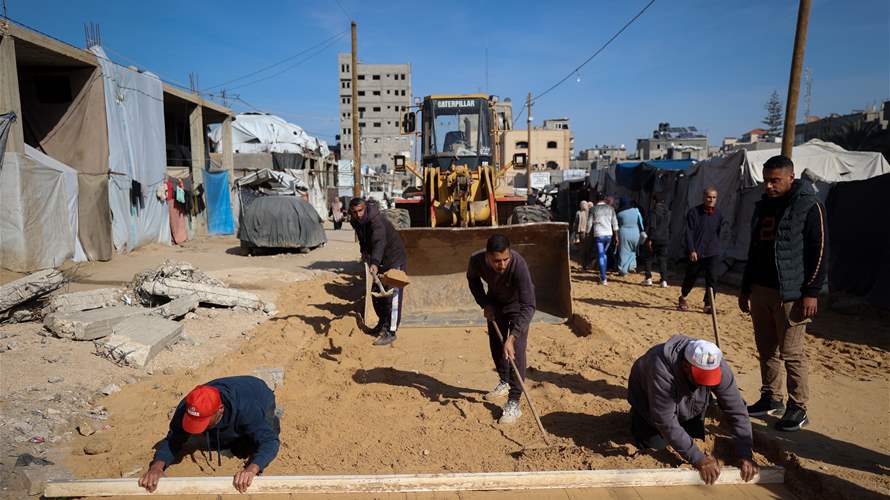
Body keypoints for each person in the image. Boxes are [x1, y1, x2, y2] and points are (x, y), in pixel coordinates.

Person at [740, 154, 827, 432]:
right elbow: (753, 250)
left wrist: (811, 291)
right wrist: (745, 288)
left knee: (792, 352)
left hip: (790, 294)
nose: (769, 186)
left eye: (775, 180)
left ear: (791, 177)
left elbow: (820, 250)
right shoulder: (763, 206)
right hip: (761, 289)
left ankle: (798, 406)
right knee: (766, 349)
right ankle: (771, 397)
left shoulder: (808, 205)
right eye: (766, 180)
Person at [628, 335, 759, 485]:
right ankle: (637, 420)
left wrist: (745, 453)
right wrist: (698, 459)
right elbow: (664, 420)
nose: (706, 383)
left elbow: (736, 409)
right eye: (702, 378)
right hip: (650, 404)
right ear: (685, 366)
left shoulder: (716, 363)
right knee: (656, 444)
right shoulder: (660, 367)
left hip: (691, 405)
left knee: (692, 437)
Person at [138, 376, 280, 494]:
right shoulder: (188, 406)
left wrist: (252, 469)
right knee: (221, 438)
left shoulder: (246, 408)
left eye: (203, 421)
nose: (198, 426)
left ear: (220, 410)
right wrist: (156, 467)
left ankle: (269, 423)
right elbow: (173, 440)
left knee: (251, 444)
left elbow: (270, 442)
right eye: (194, 421)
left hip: (259, 395)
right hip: (232, 406)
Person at [467, 234, 536, 425]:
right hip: (495, 304)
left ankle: (514, 401)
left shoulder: (518, 265)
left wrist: (513, 337)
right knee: (497, 346)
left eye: (506, 259)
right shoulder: (476, 260)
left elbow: (529, 305)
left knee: (515, 352)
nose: (503, 265)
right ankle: (504, 381)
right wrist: (484, 303)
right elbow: (472, 280)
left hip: (517, 307)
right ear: (488, 256)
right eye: (497, 261)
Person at [349, 197, 407, 346]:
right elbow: (363, 240)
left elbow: (379, 242)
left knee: (392, 297)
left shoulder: (376, 220)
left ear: (365, 208)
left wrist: (374, 262)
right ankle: (382, 324)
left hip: (394, 258)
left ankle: (391, 331)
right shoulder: (355, 221)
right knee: (377, 295)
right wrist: (365, 254)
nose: (358, 215)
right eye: (355, 212)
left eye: (361, 210)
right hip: (379, 260)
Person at [679, 187, 724, 313]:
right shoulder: (694, 212)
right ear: (704, 197)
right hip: (697, 251)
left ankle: (708, 305)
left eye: (714, 197)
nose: (711, 200)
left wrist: (716, 246)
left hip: (712, 251)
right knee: (691, 276)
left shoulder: (719, 214)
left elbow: (718, 231)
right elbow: (688, 232)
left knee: (712, 278)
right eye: (709, 197)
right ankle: (683, 296)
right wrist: (691, 249)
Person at [588, 194, 619, 285]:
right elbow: (615, 223)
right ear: (604, 200)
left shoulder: (593, 209)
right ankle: (603, 275)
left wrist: (587, 233)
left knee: (601, 255)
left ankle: (603, 277)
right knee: (604, 254)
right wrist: (616, 236)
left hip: (599, 234)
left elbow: (589, 224)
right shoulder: (611, 209)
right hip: (609, 234)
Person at [643, 193, 671, 287]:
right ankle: (664, 280)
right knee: (662, 260)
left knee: (649, 258)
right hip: (665, 238)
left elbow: (652, 226)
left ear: (654, 201)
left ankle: (648, 278)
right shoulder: (668, 212)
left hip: (655, 238)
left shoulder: (654, 212)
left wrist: (650, 239)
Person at [616, 198, 645, 276]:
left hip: (624, 233)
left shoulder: (619, 213)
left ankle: (623, 270)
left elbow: (617, 225)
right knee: (633, 251)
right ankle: (631, 266)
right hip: (636, 233)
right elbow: (641, 223)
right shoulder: (636, 211)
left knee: (624, 252)